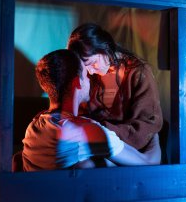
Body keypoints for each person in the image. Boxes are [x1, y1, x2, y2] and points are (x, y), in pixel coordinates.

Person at [22, 49, 160, 171]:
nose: (90, 78)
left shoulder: (32, 128)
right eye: (86, 75)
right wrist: (153, 132)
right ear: (77, 82)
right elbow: (149, 162)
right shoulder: (88, 132)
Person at [67, 23, 163, 152]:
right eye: (85, 68)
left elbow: (147, 124)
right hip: (95, 145)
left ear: (105, 49)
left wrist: (102, 130)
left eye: (93, 63)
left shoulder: (139, 73)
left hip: (130, 149)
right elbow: (81, 115)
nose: (90, 72)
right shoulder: (90, 76)